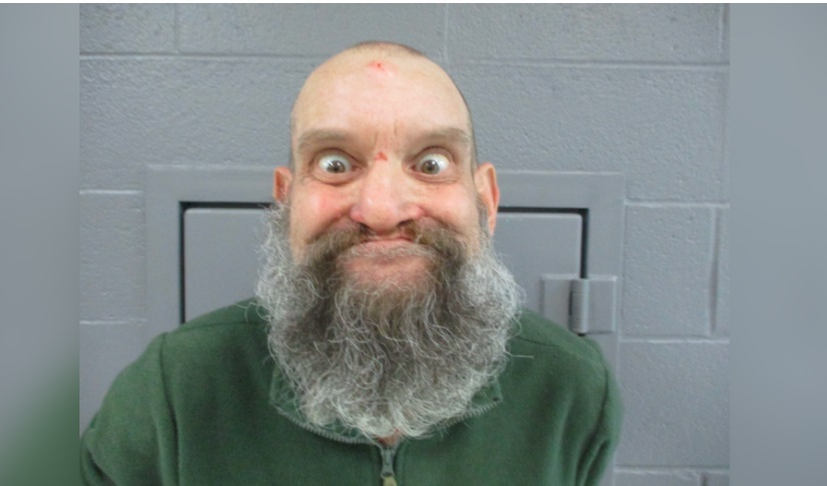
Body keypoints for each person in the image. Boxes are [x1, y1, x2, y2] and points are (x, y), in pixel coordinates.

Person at [81, 41, 622, 486]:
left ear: (486, 201)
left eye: (432, 163)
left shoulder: (572, 391)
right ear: (286, 202)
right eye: (335, 164)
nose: (382, 210)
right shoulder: (172, 393)